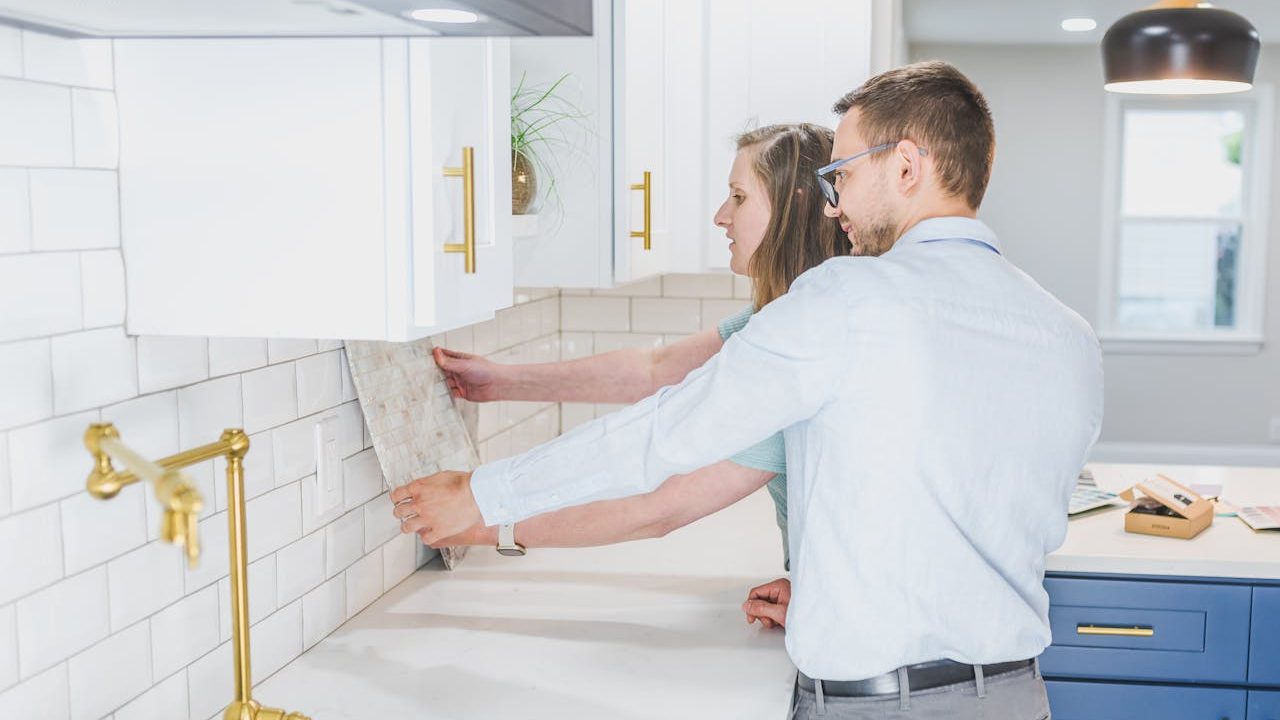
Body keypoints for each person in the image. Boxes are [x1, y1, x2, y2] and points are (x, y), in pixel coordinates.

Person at [394, 61, 1104, 720]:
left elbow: (667, 432)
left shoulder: (849, 300)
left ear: (909, 165)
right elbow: (972, 510)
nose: (834, 206)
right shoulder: (1067, 335)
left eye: (845, 176)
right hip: (1017, 697)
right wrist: (836, 598)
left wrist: (486, 495)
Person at [426, 122, 844, 629]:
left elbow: (660, 507)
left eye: (738, 197)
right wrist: (505, 381)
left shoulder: (796, 345)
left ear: (794, 206)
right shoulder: (785, 318)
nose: (720, 216)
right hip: (834, 605)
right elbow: (658, 369)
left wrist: (480, 521)